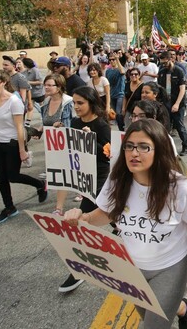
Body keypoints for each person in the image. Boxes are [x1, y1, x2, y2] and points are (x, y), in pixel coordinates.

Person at [64, 119, 187, 329]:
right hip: (132, 269)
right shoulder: (117, 180)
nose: (134, 153)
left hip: (170, 267)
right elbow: (106, 213)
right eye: (129, 146)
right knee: (146, 314)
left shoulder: (181, 189)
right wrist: (82, 219)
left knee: (152, 325)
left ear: (159, 151)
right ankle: (183, 309)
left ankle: (175, 307)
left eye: (143, 147)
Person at [58, 86, 111, 293]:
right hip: (83, 177)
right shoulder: (75, 122)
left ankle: (79, 269)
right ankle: (120, 226)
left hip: (99, 177)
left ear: (91, 102)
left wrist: (93, 140)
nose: (77, 107)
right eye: (75, 103)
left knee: (81, 220)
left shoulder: (101, 124)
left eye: (81, 103)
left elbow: (109, 154)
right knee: (107, 213)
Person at [0, 70, 47, 225]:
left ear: (3, 82)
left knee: (13, 176)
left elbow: (19, 128)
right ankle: (9, 207)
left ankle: (39, 184)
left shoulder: (14, 101)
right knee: (1, 177)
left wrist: (22, 149)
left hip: (12, 143)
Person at [36, 74, 76, 215]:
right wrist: (38, 131)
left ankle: (61, 206)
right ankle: (59, 208)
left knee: (68, 173)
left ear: (59, 87)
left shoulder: (70, 102)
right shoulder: (45, 103)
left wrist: (63, 126)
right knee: (62, 175)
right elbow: (45, 122)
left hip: (70, 144)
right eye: (45, 85)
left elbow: (77, 122)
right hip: (53, 146)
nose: (46, 87)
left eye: (50, 85)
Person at [157, 51, 187, 156]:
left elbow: (182, 89)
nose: (164, 65)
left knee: (179, 125)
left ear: (170, 59)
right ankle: (166, 147)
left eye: (165, 63)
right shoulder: (161, 71)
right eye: (162, 63)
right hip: (166, 102)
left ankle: (186, 145)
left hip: (178, 102)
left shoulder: (178, 71)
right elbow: (159, 88)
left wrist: (177, 104)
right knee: (165, 126)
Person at [106, 54, 126, 131]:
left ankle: (122, 129)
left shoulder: (120, 68)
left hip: (120, 94)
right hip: (112, 94)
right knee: (114, 114)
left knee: (118, 113)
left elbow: (122, 71)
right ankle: (120, 127)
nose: (111, 61)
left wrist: (117, 59)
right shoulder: (108, 71)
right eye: (110, 60)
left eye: (113, 59)